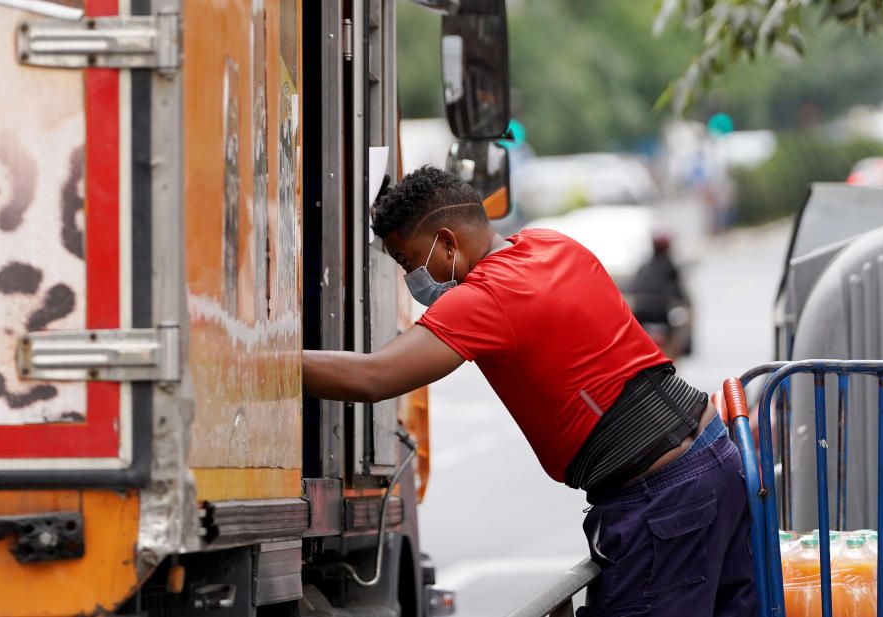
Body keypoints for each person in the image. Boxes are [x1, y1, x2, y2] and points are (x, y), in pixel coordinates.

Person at [302, 166, 756, 616]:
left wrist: (264, 358)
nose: (410, 277)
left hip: (662, 498)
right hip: (715, 458)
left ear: (446, 242)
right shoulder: (551, 244)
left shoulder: (483, 298)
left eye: (408, 261)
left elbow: (374, 377)